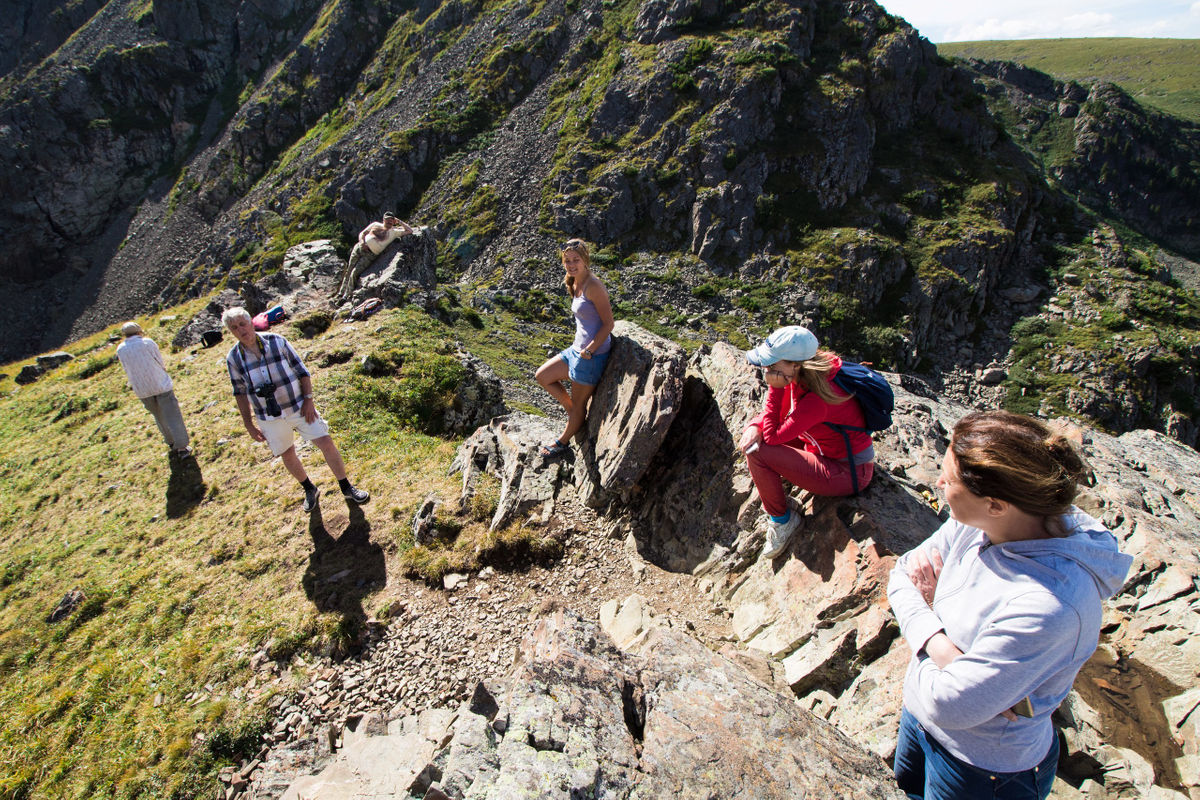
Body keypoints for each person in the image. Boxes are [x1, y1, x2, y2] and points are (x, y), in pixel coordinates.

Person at [888, 410, 1133, 800]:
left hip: (983, 767)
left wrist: (927, 630)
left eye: (948, 480)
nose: (936, 482)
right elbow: (901, 576)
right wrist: (949, 654)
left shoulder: (1052, 604)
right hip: (918, 722)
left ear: (996, 504)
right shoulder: (984, 522)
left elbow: (949, 704)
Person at [738, 325, 875, 558]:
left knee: (757, 451)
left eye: (772, 364)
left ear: (795, 364)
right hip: (828, 450)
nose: (766, 369)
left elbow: (772, 436)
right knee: (757, 438)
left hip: (847, 472)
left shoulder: (817, 400)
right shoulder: (813, 373)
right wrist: (754, 425)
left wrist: (775, 388)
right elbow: (778, 419)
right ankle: (782, 508)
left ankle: (783, 521)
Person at [222, 307, 369, 512]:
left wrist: (308, 400)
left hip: (298, 405)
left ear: (250, 322)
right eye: (234, 327)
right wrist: (248, 423)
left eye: (242, 324)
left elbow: (302, 371)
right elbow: (239, 392)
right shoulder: (234, 358)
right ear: (231, 332)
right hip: (269, 416)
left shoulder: (277, 341)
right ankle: (309, 489)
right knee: (287, 453)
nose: (240, 330)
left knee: (325, 441)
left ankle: (346, 486)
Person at [534, 239, 614, 458]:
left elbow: (609, 324)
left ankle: (562, 443)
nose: (571, 265)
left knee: (580, 405)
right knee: (542, 376)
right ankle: (573, 413)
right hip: (576, 349)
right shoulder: (573, 281)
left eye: (575, 260)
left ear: (585, 260)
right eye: (567, 261)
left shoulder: (593, 286)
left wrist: (589, 350)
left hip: (590, 355)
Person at [115, 321, 192, 460]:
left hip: (142, 389)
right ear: (139, 331)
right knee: (172, 415)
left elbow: (126, 368)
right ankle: (182, 447)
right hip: (160, 384)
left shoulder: (120, 349)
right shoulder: (147, 343)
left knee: (159, 416)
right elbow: (159, 360)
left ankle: (170, 442)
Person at [334, 212, 414, 303]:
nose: (389, 222)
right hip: (359, 248)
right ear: (383, 220)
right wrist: (362, 242)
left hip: (370, 254)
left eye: (392, 220)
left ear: (394, 221)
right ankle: (340, 293)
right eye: (388, 220)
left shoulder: (394, 232)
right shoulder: (375, 224)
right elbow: (363, 233)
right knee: (349, 269)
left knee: (355, 272)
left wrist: (400, 221)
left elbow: (410, 231)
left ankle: (345, 296)